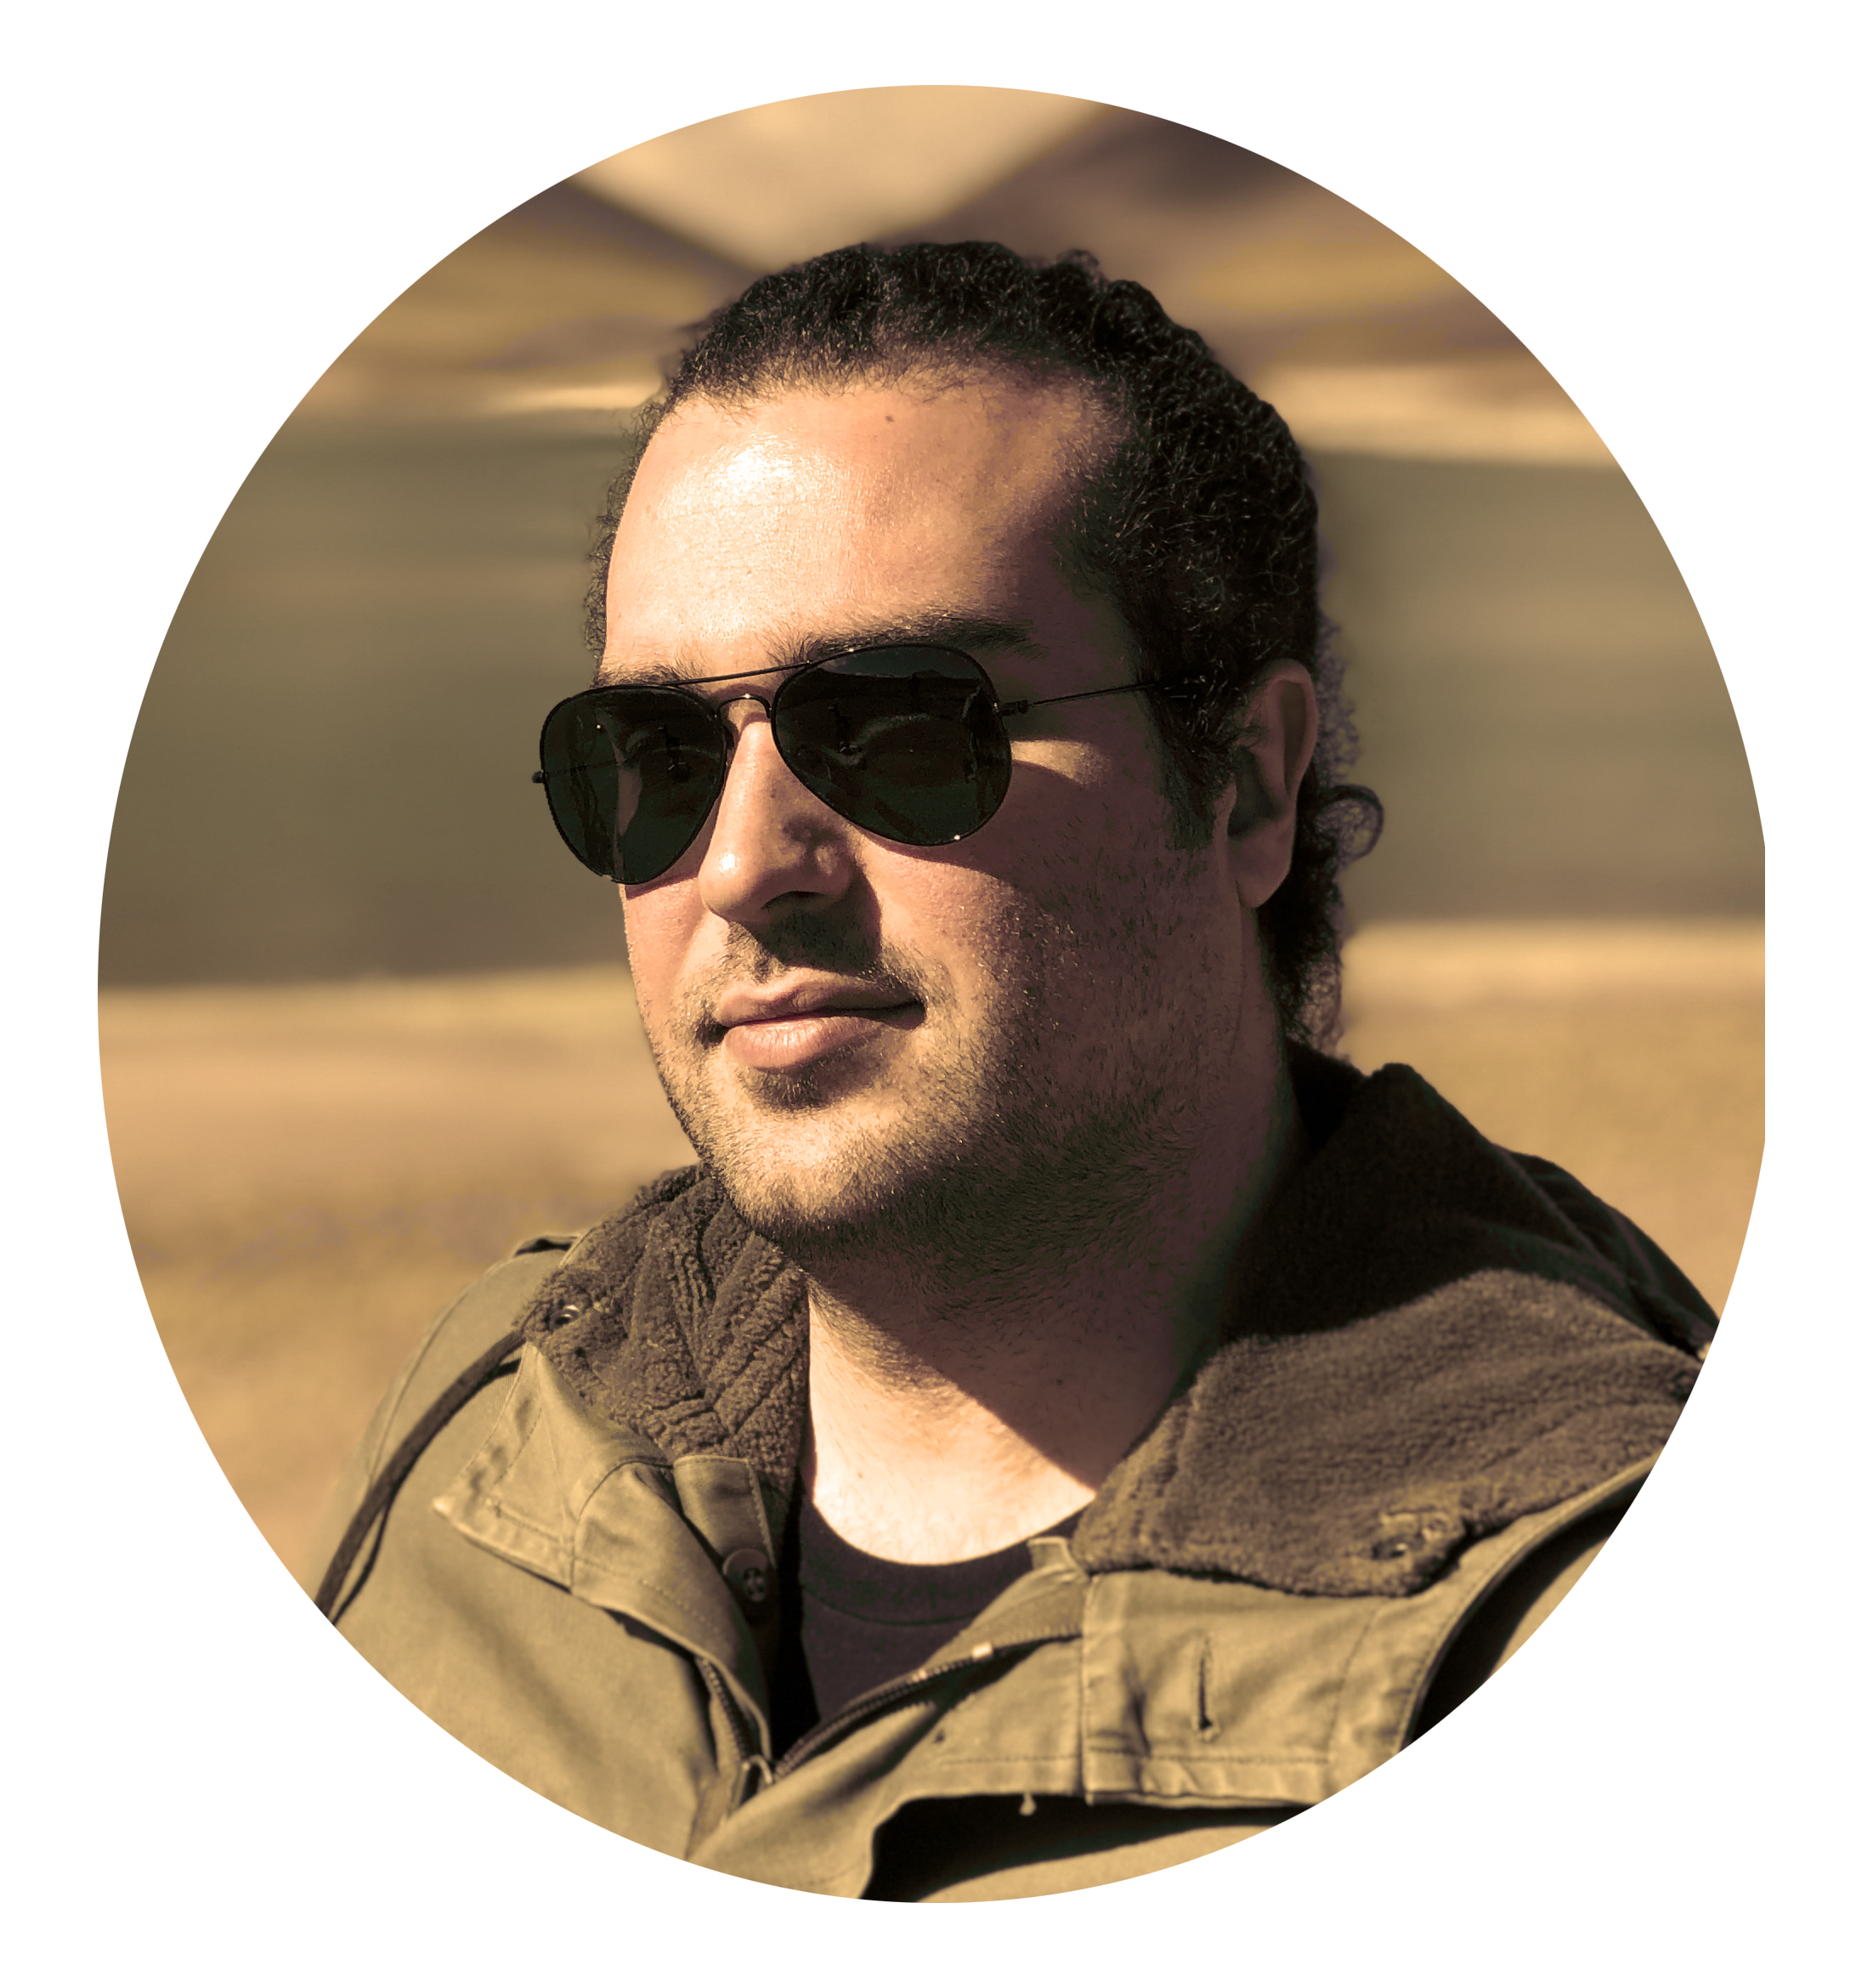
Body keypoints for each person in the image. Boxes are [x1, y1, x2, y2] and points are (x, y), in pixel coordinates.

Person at [193, 241, 1763, 1903]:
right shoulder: (486, 1431)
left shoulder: (1675, 1741)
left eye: (900, 727)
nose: (743, 861)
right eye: (653, 754)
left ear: (1244, 785)